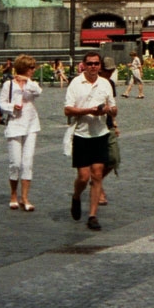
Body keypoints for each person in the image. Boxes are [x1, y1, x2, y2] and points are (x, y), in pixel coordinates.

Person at [65, 51, 116, 231]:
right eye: (90, 63)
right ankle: (76, 196)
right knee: (83, 177)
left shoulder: (106, 83)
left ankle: (92, 215)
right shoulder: (76, 83)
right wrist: (88, 111)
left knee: (97, 174)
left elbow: (114, 108)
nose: (93, 66)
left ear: (100, 66)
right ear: (84, 65)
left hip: (100, 134)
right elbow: (67, 110)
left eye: (96, 63)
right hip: (81, 134)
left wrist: (108, 110)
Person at [0, 55, 42, 213]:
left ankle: (25, 197)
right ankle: (13, 194)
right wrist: (12, 107)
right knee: (15, 162)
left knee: (27, 162)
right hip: (15, 124)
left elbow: (38, 92)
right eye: (31, 68)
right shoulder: (8, 85)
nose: (33, 70)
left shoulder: (32, 84)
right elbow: (1, 103)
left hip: (31, 125)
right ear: (23, 68)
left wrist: (26, 81)